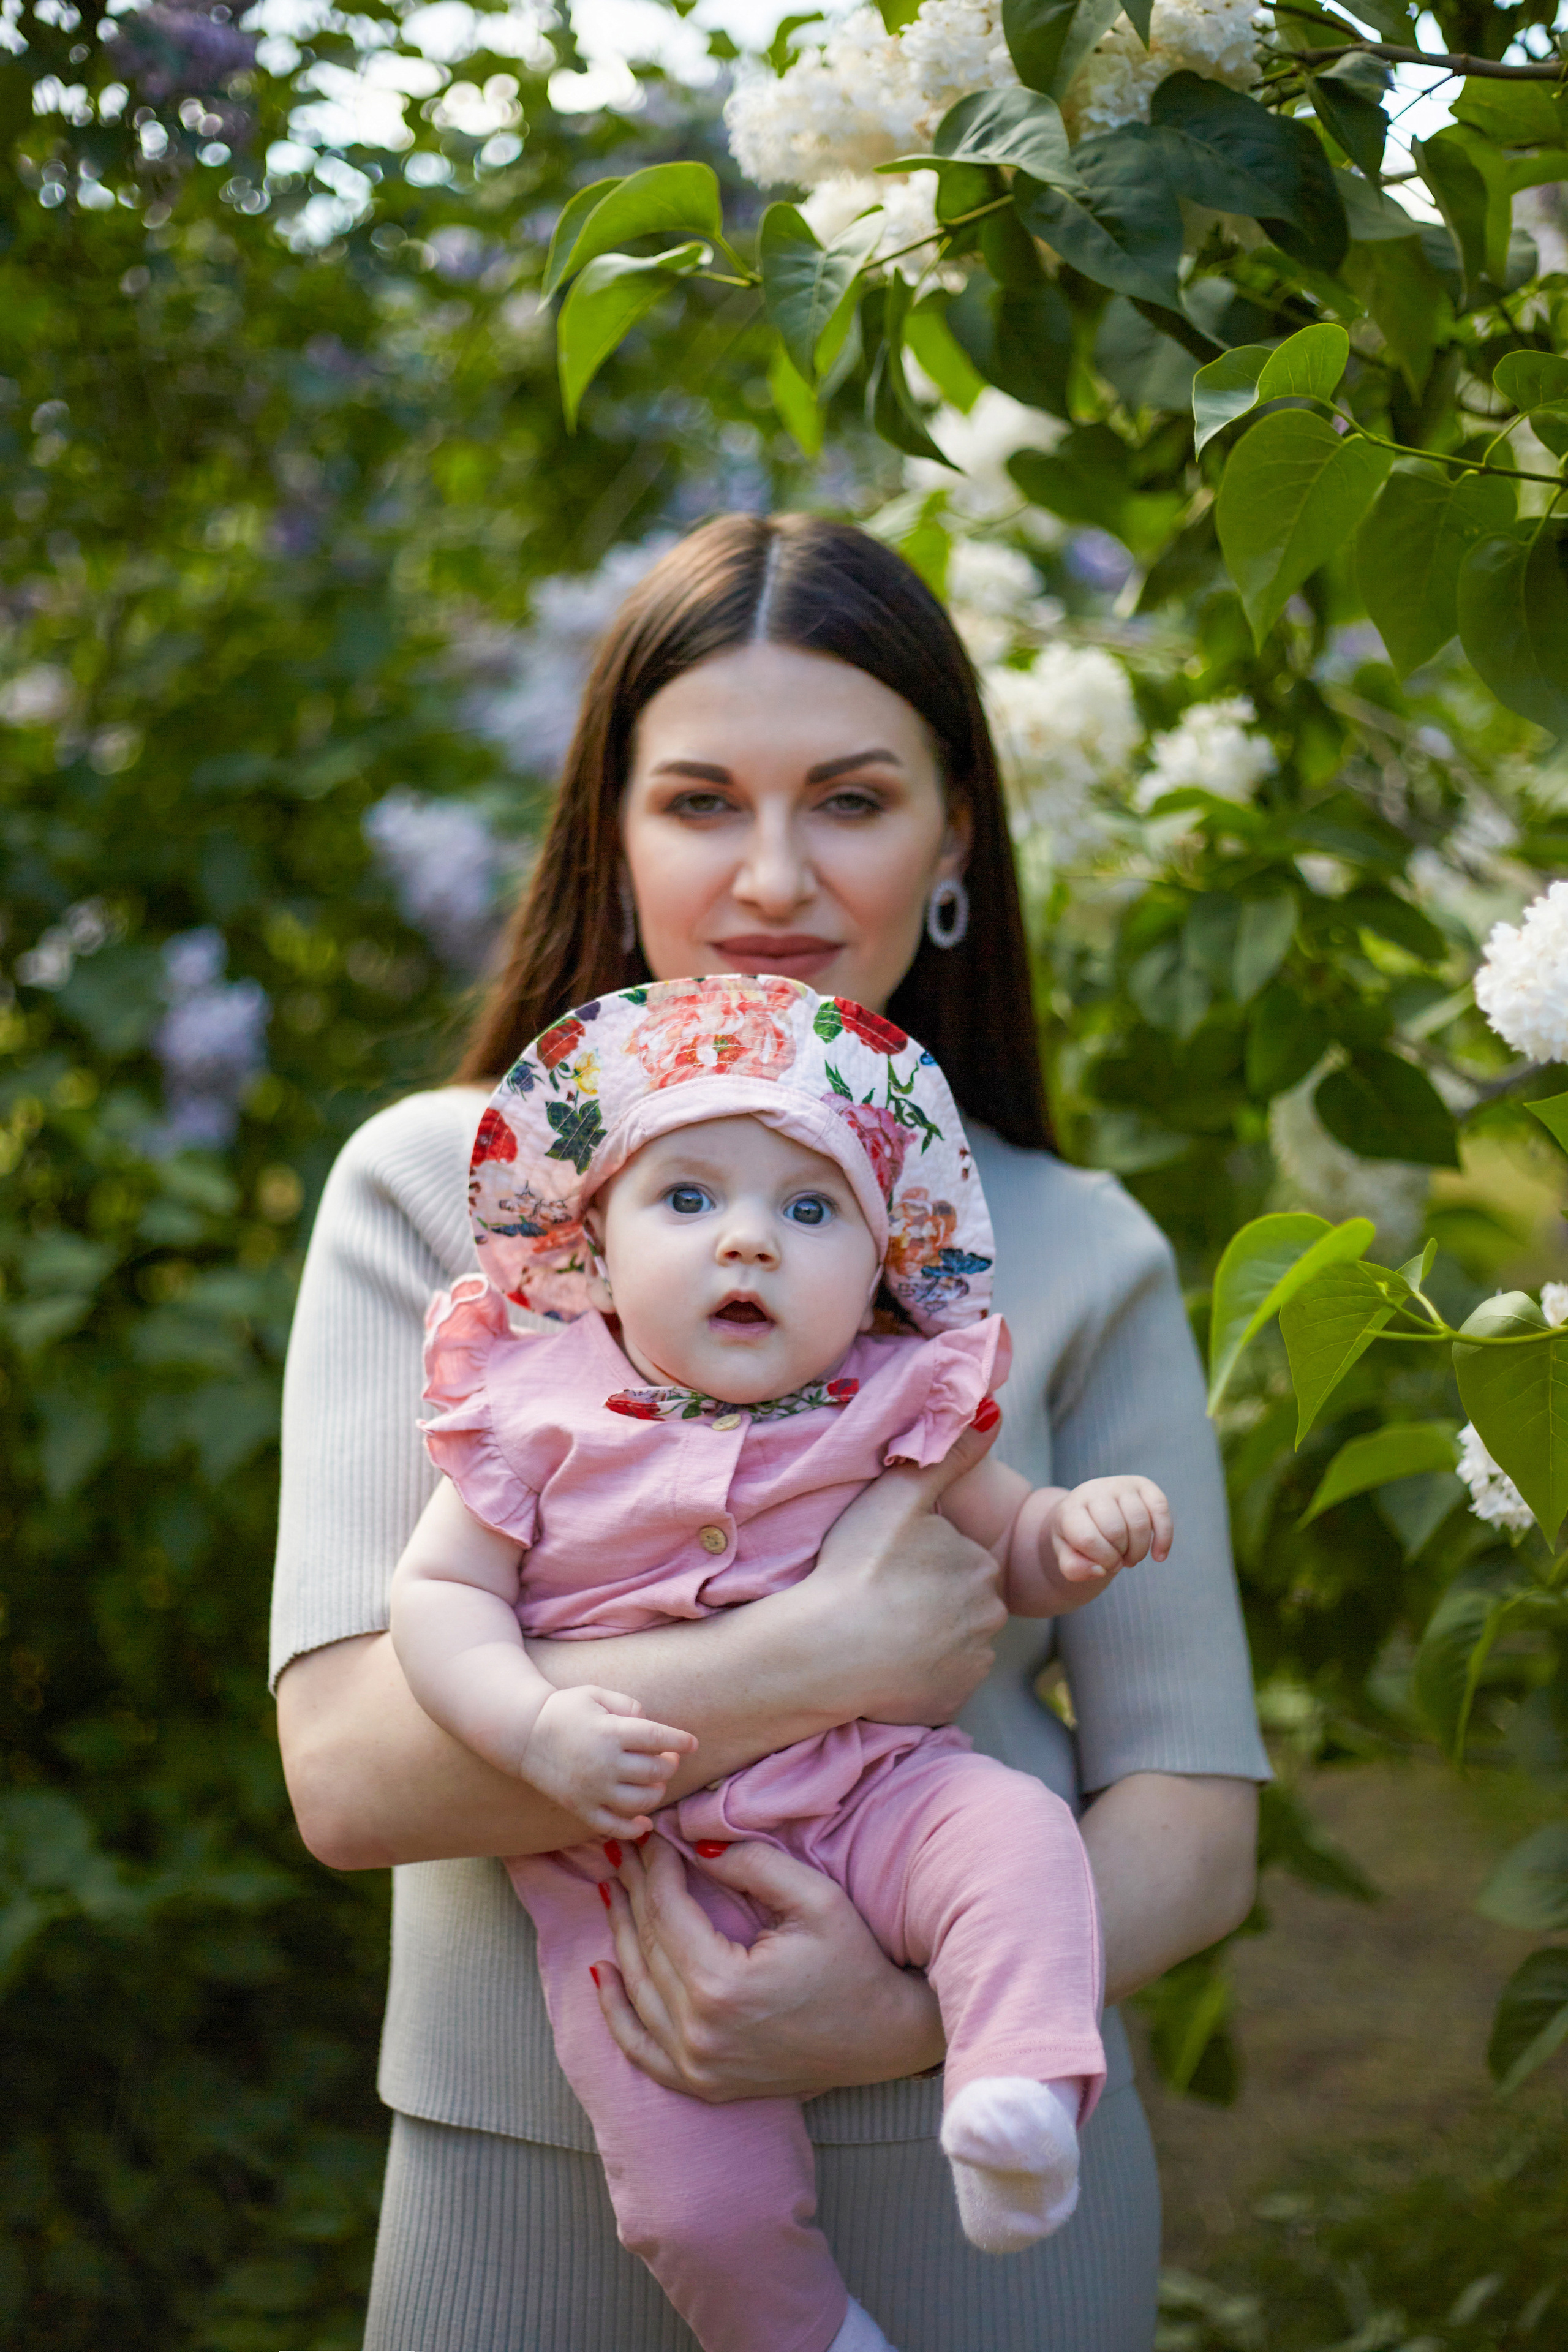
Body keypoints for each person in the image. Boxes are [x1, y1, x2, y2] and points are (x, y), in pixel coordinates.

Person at [271, 513, 1269, 2352]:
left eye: (856, 800)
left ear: (956, 838)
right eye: (704, 802)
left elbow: (1195, 1825)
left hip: (987, 2205)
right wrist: (817, 1657)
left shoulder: (1076, 1243)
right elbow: (350, 1775)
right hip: (530, 2176)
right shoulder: (445, 1200)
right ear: (615, 831)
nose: (777, 878)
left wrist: (900, 2019)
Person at [391, 972, 1175, 2352]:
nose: (745, 1244)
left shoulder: (895, 1397)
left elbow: (1018, 1548)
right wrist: (530, 1728)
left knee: (1013, 1842)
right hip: (627, 1868)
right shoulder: (532, 1407)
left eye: (807, 1212)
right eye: (686, 1200)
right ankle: (809, 2339)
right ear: (595, 1239)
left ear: (876, 1266)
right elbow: (439, 1597)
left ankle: (1016, 2095)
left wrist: (1077, 1531)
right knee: (689, 2204)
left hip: (875, 1792)